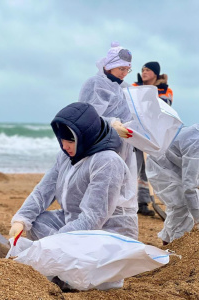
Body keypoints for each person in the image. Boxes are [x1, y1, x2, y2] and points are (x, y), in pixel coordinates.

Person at [9, 102, 138, 290]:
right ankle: (60, 273)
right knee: (37, 222)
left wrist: (50, 247)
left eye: (70, 141)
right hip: (74, 225)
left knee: (91, 277)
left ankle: (65, 276)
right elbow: (44, 190)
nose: (64, 146)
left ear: (85, 136)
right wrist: (21, 219)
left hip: (106, 235)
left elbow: (93, 218)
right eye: (61, 140)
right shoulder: (65, 156)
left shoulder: (107, 161)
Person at [77, 42, 138, 211]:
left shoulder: (123, 88)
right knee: (96, 184)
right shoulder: (94, 84)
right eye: (121, 69)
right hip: (98, 144)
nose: (125, 74)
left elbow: (130, 113)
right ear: (110, 66)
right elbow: (86, 115)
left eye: (127, 70)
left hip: (121, 144)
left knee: (117, 187)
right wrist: (111, 123)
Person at [132, 61, 174, 216]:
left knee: (146, 170)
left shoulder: (165, 89)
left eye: (147, 70)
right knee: (132, 167)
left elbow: (164, 106)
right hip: (135, 133)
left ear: (155, 73)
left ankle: (142, 202)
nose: (144, 72)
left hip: (153, 135)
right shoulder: (134, 87)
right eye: (142, 70)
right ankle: (128, 201)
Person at [146, 124, 199, 245]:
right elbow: (190, 186)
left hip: (177, 162)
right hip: (161, 166)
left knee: (186, 205)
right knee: (181, 205)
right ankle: (176, 248)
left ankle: (169, 243)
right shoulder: (196, 143)